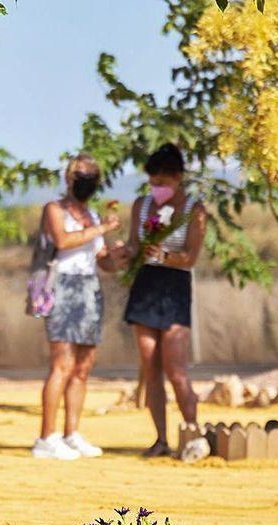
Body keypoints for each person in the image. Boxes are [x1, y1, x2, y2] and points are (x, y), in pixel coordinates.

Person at [31, 154, 124, 460]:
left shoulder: (93, 216)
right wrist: (102, 229)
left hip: (89, 288)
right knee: (62, 364)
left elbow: (102, 261)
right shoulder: (55, 210)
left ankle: (72, 433)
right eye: (81, 176)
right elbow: (63, 239)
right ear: (69, 179)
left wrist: (120, 256)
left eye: (91, 177)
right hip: (62, 286)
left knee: (83, 367)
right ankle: (46, 437)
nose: (86, 182)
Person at [117, 143, 207, 457]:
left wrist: (165, 255)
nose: (157, 188)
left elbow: (191, 257)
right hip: (146, 284)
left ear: (178, 178)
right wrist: (126, 253)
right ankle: (161, 439)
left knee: (175, 367)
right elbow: (132, 245)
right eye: (153, 182)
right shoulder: (141, 205)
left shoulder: (194, 210)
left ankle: (194, 434)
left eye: (163, 183)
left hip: (174, 285)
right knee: (150, 363)